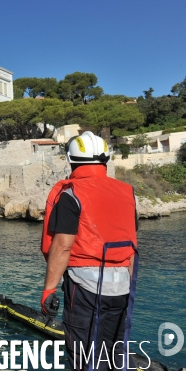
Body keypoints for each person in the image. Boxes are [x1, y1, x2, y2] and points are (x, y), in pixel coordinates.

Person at [40, 131, 137, 371]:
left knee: (84, 355)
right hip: (122, 287)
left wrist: (49, 290)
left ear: (72, 161)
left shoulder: (71, 194)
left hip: (84, 288)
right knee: (112, 351)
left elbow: (63, 245)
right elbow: (132, 245)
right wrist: (129, 285)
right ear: (105, 160)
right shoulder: (127, 193)